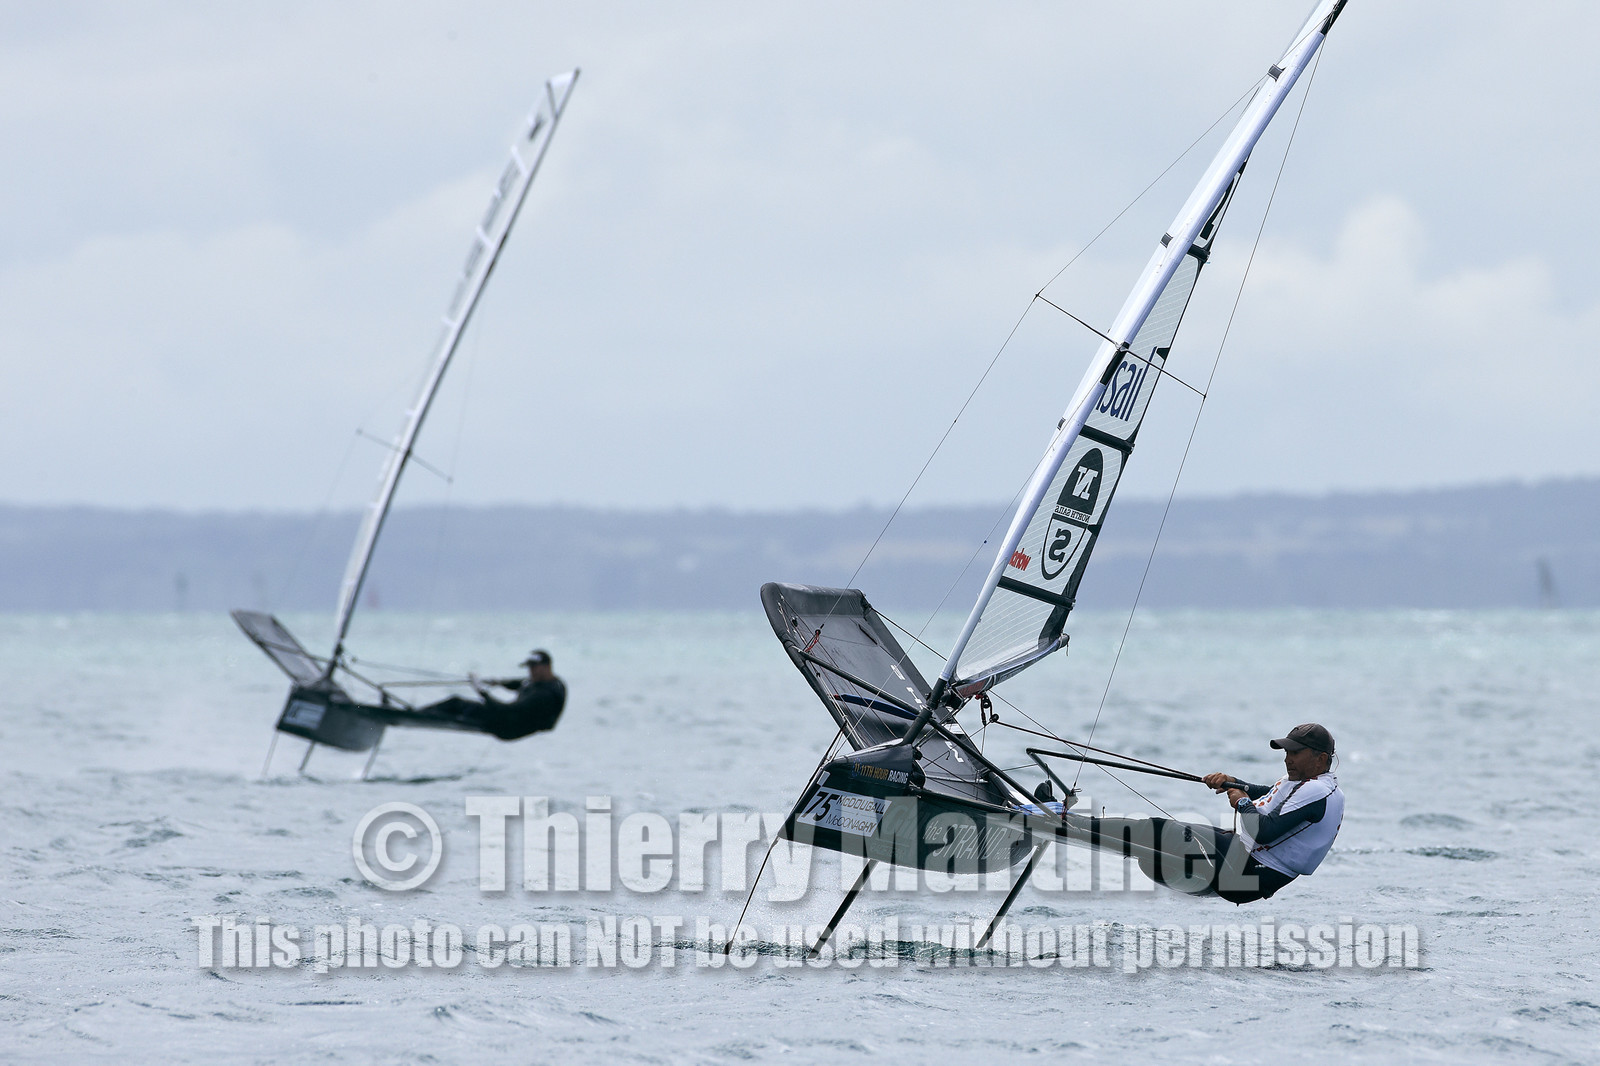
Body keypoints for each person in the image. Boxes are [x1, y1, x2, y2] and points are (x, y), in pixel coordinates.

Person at [1198, 721, 1344, 903]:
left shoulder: (1316, 790)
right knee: (1159, 829)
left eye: (1295, 753)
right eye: (1287, 752)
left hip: (1248, 873)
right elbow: (1270, 793)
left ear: (1320, 759)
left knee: (1157, 831)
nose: (1287, 759)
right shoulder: (1311, 784)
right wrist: (1231, 781)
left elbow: (1263, 832)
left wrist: (1242, 801)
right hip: (1249, 866)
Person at [416, 649, 567, 741]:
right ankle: (419, 713)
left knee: (455, 704)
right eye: (529, 667)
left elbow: (506, 710)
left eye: (534, 667)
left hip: (509, 728)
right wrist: (498, 682)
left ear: (547, 666)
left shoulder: (543, 696)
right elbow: (521, 683)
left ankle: (416, 715)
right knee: (459, 706)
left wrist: (481, 690)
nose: (531, 671)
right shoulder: (547, 682)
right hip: (512, 722)